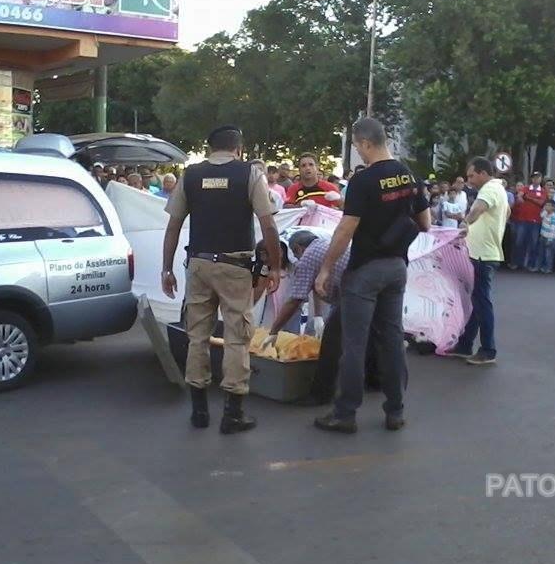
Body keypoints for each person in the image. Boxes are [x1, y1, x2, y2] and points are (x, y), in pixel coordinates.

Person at [311, 117, 430, 434]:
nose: (358, 153)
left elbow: (346, 229)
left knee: (355, 344)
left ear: (365, 143)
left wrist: (325, 268)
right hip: (396, 268)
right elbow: (426, 223)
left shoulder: (364, 181)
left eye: (356, 147)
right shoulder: (407, 175)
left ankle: (345, 413)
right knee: (392, 339)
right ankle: (395, 410)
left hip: (365, 269)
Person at [161, 125, 281, 434]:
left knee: (196, 336)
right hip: (235, 267)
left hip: (199, 264)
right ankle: (233, 413)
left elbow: (173, 225)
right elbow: (268, 225)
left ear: (210, 147)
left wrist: (166, 269)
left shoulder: (191, 175)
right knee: (236, 338)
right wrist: (275, 267)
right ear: (239, 149)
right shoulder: (249, 174)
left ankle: (199, 411)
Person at [263, 230, 351, 406]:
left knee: (331, 345)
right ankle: (375, 381)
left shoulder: (307, 258)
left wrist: (274, 330)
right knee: (374, 338)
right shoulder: (324, 246)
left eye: (294, 253)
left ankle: (321, 394)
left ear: (298, 248)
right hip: (368, 287)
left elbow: (295, 299)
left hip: (352, 295)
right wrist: (318, 315)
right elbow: (316, 285)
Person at [447, 157, 509, 365]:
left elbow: (479, 208)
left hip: (483, 255)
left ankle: (488, 349)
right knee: (477, 301)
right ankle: (465, 344)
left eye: (472, 175)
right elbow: (506, 212)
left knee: (482, 302)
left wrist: (466, 223)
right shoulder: (498, 189)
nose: (469, 179)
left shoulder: (490, 189)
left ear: (483, 173)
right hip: (483, 252)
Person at [510, 171, 546, 270]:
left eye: (538, 177)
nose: (536, 179)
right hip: (522, 219)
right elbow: (519, 196)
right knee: (519, 242)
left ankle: (531, 264)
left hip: (535, 221)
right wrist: (521, 197)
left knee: (533, 243)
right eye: (534, 177)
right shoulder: (525, 188)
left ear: (541, 179)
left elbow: (541, 202)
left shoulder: (542, 191)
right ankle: (516, 263)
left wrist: (528, 198)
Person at [533, 199, 555, 273]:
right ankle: (538, 267)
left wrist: (550, 239)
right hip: (542, 235)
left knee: (548, 254)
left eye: (549, 206)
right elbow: (541, 215)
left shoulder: (553, 217)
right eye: (546, 205)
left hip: (549, 237)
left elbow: (552, 229)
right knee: (540, 252)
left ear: (553, 207)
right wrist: (544, 210)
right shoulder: (545, 213)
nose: (547, 207)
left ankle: (548, 268)